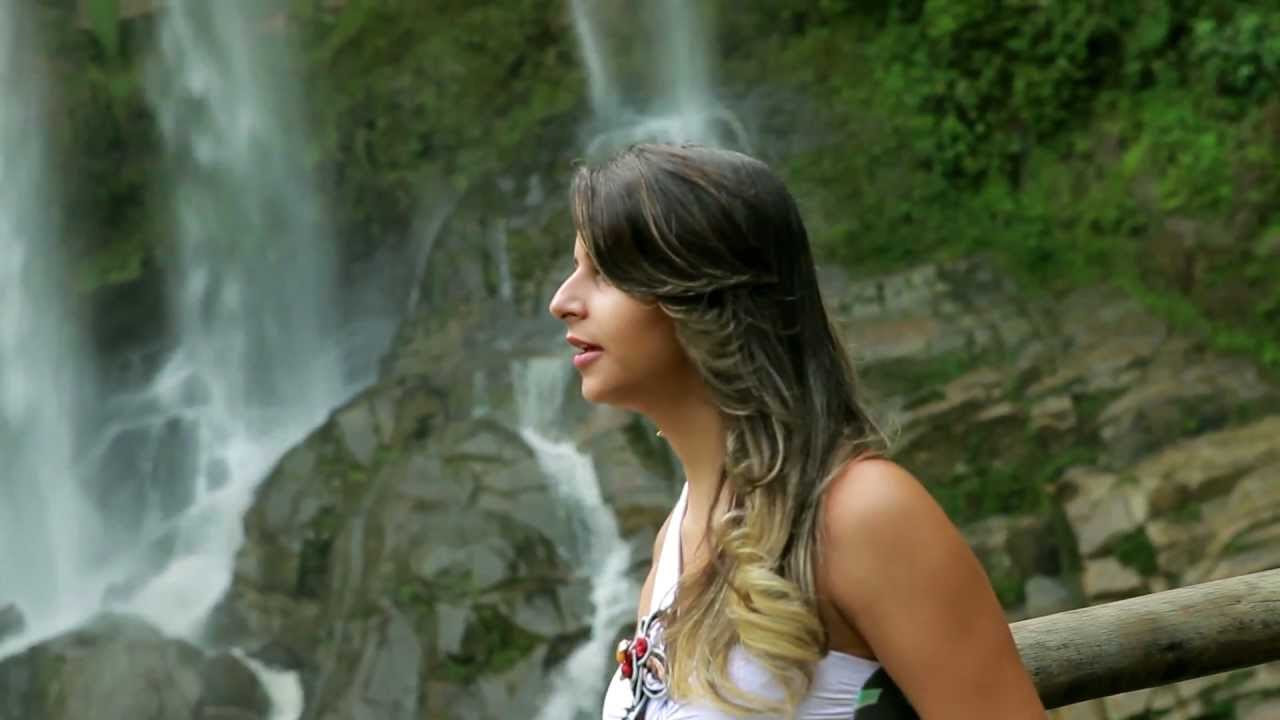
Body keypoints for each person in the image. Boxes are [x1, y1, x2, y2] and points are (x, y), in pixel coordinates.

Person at [548, 144, 1046, 720]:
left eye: (604, 273)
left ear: (705, 298)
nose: (563, 302)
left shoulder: (861, 513)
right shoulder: (675, 539)